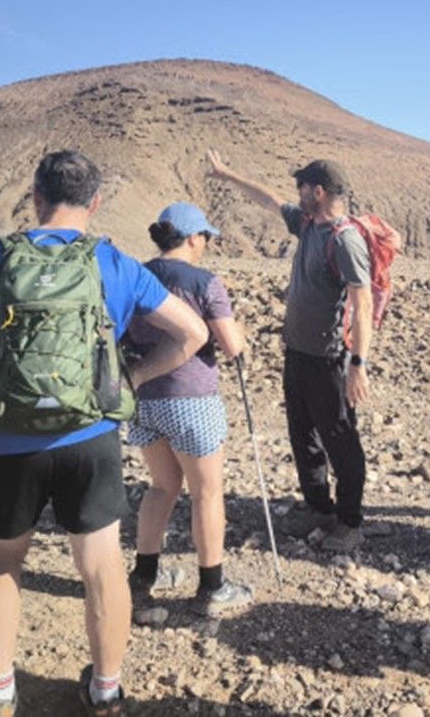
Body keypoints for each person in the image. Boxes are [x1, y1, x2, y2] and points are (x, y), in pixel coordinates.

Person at [0, 151, 208, 716]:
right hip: (88, 440)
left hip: (5, 440)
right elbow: (192, 334)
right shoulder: (114, 263)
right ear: (96, 202)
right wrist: (127, 379)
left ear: (35, 196)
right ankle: (105, 691)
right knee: (102, 567)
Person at [205, 148, 373, 553]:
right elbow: (267, 199)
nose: (295, 193)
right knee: (303, 434)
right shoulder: (308, 224)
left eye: (301, 187)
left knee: (340, 439)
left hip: (329, 358)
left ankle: (350, 521)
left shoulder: (345, 240)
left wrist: (358, 364)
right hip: (297, 352)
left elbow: (362, 303)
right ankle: (319, 506)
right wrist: (228, 174)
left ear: (317, 190)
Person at [124, 202, 253, 616]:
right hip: (192, 399)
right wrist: (242, 334)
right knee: (207, 492)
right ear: (194, 237)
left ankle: (144, 576)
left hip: (144, 397)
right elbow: (231, 346)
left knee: (162, 486)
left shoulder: (134, 276)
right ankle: (212, 586)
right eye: (206, 238)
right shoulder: (204, 281)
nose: (207, 246)